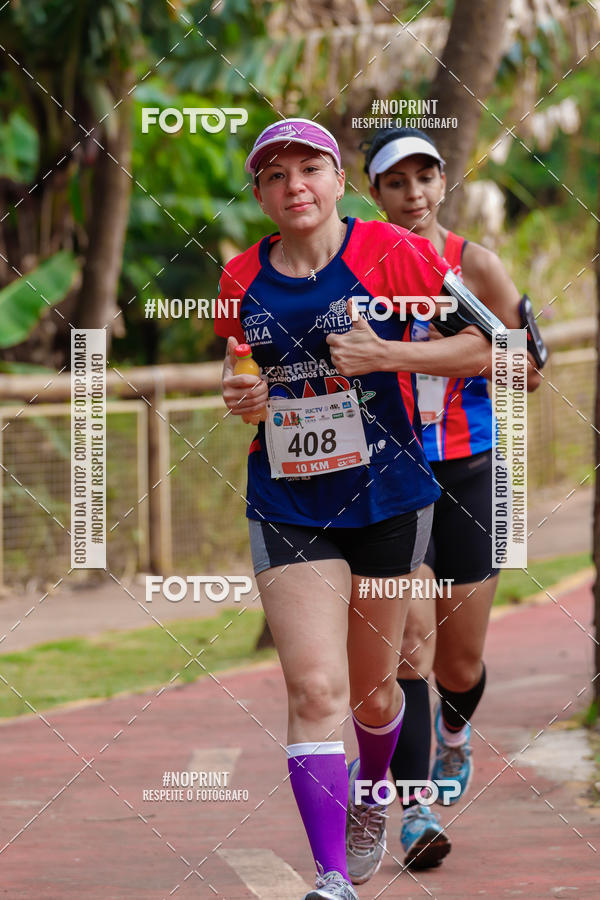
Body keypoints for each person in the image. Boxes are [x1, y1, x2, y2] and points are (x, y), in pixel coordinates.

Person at [215, 118, 499, 899]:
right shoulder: (239, 277)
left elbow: (490, 347)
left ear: (338, 180)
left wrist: (390, 354)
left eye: (309, 168)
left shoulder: (392, 252)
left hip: (389, 498)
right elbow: (239, 366)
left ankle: (374, 794)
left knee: (378, 694)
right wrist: (239, 393)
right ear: (262, 194)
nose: (294, 186)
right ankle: (331, 877)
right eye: (275, 176)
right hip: (287, 501)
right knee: (314, 690)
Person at [362, 126, 542, 870]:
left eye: (424, 180)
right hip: (392, 476)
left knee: (459, 664)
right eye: (396, 184)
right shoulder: (357, 266)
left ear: (442, 186)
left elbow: (528, 369)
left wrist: (466, 350)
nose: (412, 196)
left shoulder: (474, 265)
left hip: (471, 471)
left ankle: (456, 736)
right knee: (409, 647)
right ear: (373, 194)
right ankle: (416, 811)